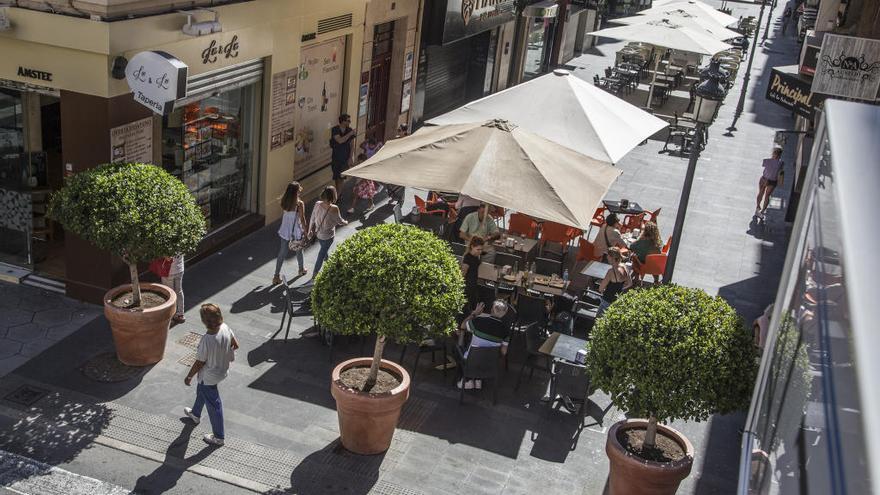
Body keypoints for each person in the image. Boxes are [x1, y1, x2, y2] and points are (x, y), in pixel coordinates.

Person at [183, 303, 239, 447]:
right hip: (222, 370)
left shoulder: (207, 340)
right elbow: (235, 344)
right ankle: (195, 414)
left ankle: (219, 437)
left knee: (214, 405)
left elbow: (199, 362)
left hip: (210, 375)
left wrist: (189, 376)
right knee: (201, 390)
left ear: (204, 321)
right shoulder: (225, 327)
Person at [456, 300, 511, 389]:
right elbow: (504, 352)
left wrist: (474, 313)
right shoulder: (506, 331)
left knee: (457, 348)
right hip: (490, 365)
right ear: (504, 313)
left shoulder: (478, 321)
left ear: (491, 310)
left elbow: (462, 326)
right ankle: (477, 380)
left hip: (471, 362)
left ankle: (468, 380)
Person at [273, 182, 308, 286]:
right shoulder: (299, 204)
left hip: (285, 229)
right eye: (298, 190)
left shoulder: (284, 201)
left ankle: (276, 276)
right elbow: (302, 219)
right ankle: (301, 269)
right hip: (295, 231)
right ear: (295, 192)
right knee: (299, 250)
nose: (300, 191)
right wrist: (306, 232)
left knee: (282, 253)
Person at [308, 186, 348, 276]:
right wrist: (346, 222)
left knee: (323, 248)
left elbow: (312, 217)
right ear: (333, 195)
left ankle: (327, 260)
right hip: (328, 236)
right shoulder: (334, 208)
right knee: (321, 254)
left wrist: (309, 230)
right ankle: (315, 273)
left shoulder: (317, 203)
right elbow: (340, 221)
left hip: (318, 233)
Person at [597, 247, 632, 318]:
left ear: (611, 257)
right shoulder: (624, 267)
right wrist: (619, 289)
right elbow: (630, 283)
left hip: (607, 300)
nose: (606, 257)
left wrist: (605, 288)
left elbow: (600, 289)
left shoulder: (611, 271)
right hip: (617, 300)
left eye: (608, 255)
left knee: (598, 320)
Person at [329, 114, 356, 195]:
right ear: (343, 121)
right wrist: (350, 134)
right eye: (348, 120)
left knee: (341, 177)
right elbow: (340, 140)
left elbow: (352, 145)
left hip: (345, 158)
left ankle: (337, 196)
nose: (350, 122)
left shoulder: (349, 130)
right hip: (336, 157)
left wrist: (351, 157)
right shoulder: (335, 129)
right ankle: (338, 193)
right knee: (336, 177)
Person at [756, 148, 784, 220]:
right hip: (772, 181)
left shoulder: (766, 161)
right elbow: (781, 172)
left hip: (764, 178)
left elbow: (764, 165)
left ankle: (758, 206)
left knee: (761, 193)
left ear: (773, 154)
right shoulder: (781, 163)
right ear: (780, 155)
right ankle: (762, 210)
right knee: (767, 196)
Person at [460, 237, 484, 312]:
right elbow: (463, 273)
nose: (480, 252)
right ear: (472, 246)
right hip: (468, 286)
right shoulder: (468, 258)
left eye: (481, 249)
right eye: (478, 249)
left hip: (473, 284)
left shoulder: (476, 256)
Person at [161, 255, 186, 324]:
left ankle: (170, 317)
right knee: (179, 291)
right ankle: (180, 314)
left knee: (169, 294)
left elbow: (168, 258)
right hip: (180, 269)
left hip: (169, 271)